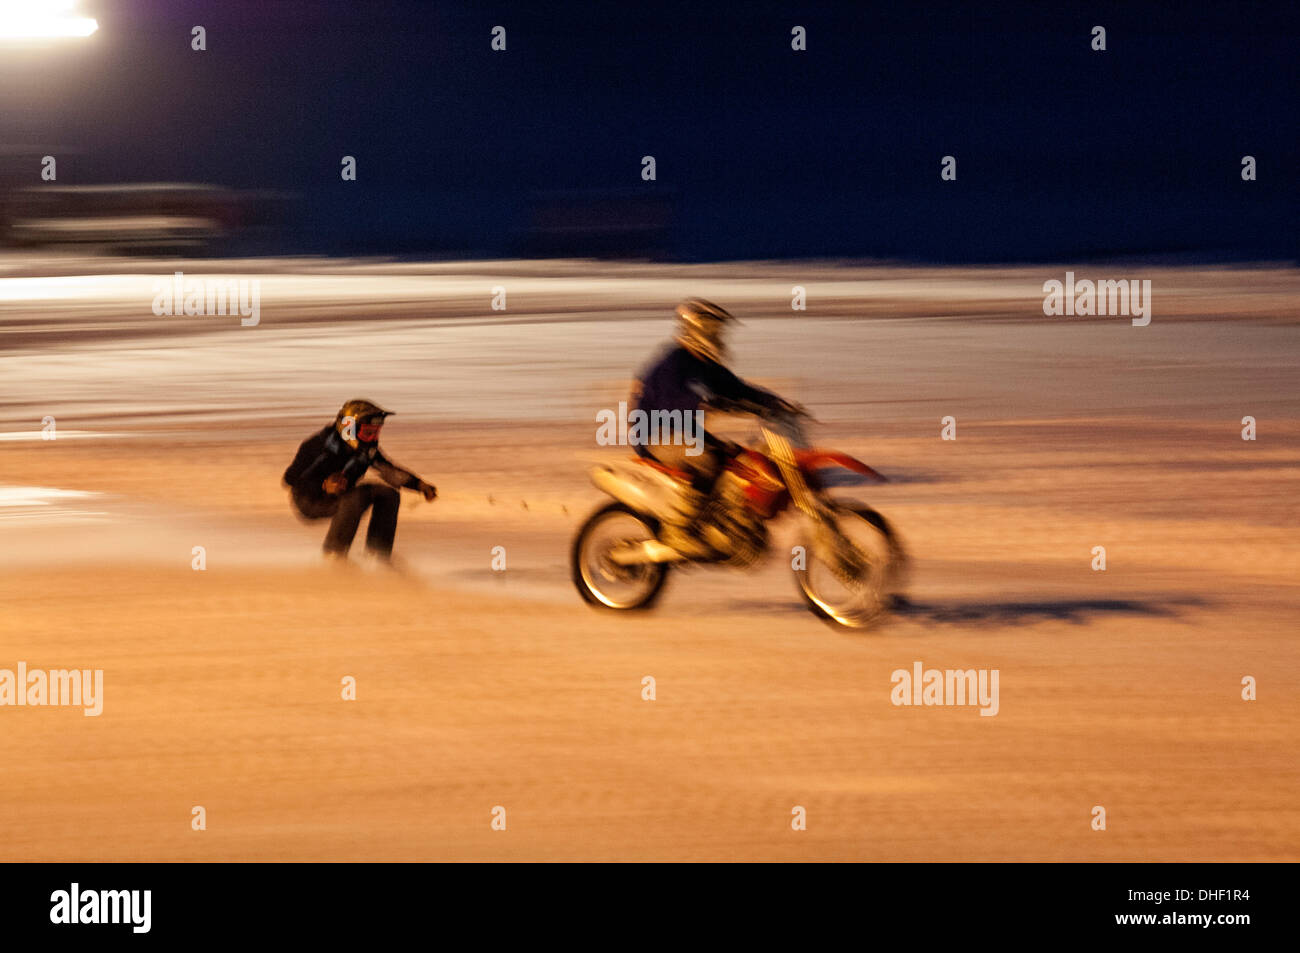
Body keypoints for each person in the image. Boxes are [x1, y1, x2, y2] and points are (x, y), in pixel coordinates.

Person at [633, 298, 797, 556]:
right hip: (656, 435)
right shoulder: (674, 362)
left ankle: (725, 524)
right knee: (706, 461)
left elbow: (739, 389)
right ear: (696, 329)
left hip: (686, 434)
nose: (717, 336)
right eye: (712, 329)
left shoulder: (706, 367)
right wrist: (704, 401)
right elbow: (673, 399)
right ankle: (679, 531)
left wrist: (775, 404)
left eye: (718, 331)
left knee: (736, 459)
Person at [282, 399, 436, 561]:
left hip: (342, 495)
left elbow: (388, 470)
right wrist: (324, 485)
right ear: (348, 428)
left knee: (388, 494)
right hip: (309, 500)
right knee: (355, 498)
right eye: (368, 433)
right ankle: (334, 556)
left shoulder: (366, 450)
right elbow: (289, 479)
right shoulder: (317, 445)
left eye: (376, 432)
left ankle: (378, 555)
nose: (372, 438)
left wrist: (419, 485)